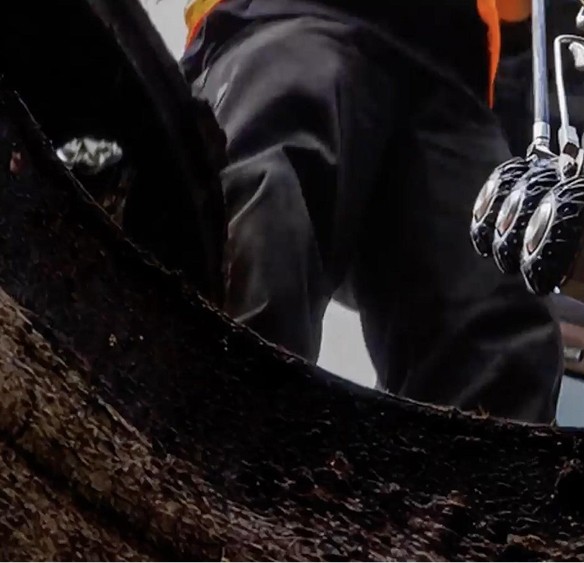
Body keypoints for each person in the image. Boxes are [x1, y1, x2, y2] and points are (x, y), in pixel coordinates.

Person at [180, 0, 563, 423]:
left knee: (500, 338)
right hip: (290, 10)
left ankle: (481, 489)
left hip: (452, 59)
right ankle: (212, 446)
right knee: (264, 228)